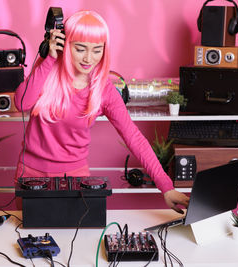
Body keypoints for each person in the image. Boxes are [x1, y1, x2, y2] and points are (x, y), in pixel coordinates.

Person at [14, 10, 189, 214]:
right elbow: (21, 102)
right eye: (80, 49)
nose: (89, 58)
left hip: (75, 178)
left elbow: (134, 137)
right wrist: (48, 60)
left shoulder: (104, 89)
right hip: (31, 176)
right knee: (29, 238)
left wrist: (165, 186)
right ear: (64, 44)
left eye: (97, 50)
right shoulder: (47, 71)